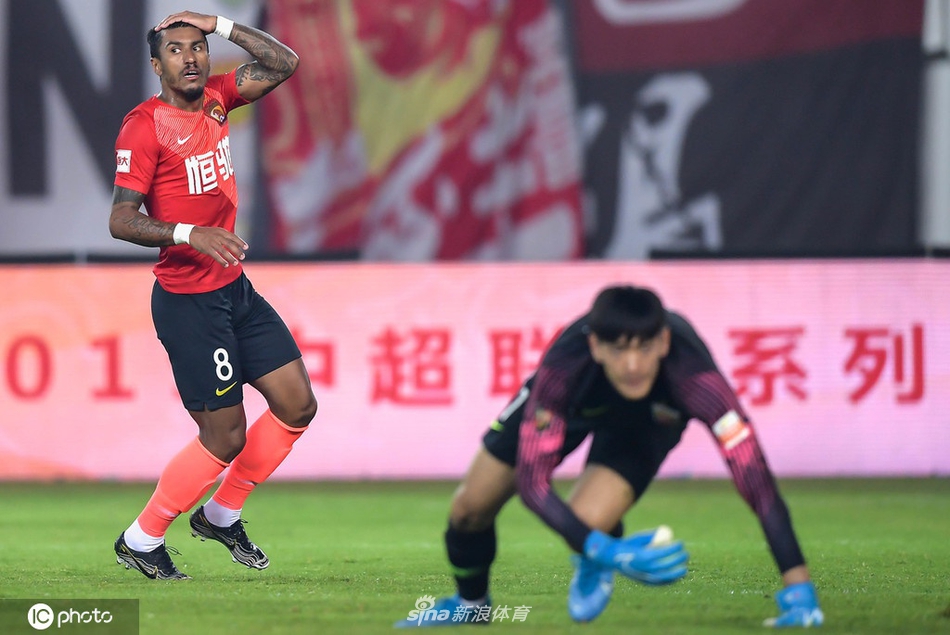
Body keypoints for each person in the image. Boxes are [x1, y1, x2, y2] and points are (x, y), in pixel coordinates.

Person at [394, 285, 824, 627]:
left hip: (647, 420)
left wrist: (799, 588)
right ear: (596, 346)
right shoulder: (563, 371)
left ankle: (598, 547)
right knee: (469, 509)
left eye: (644, 348)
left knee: (587, 518)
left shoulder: (697, 380)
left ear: (664, 342)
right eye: (618, 349)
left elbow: (755, 480)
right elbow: (532, 483)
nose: (633, 364)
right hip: (571, 407)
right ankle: (472, 605)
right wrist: (605, 550)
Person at [110, 10, 315, 580]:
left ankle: (221, 515)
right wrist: (188, 233)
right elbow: (120, 220)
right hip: (188, 302)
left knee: (297, 405)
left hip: (234, 289)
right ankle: (142, 538)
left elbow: (284, 62)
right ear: (157, 65)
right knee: (225, 436)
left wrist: (218, 23)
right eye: (175, 50)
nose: (190, 57)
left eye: (198, 47)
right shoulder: (144, 127)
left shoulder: (220, 99)